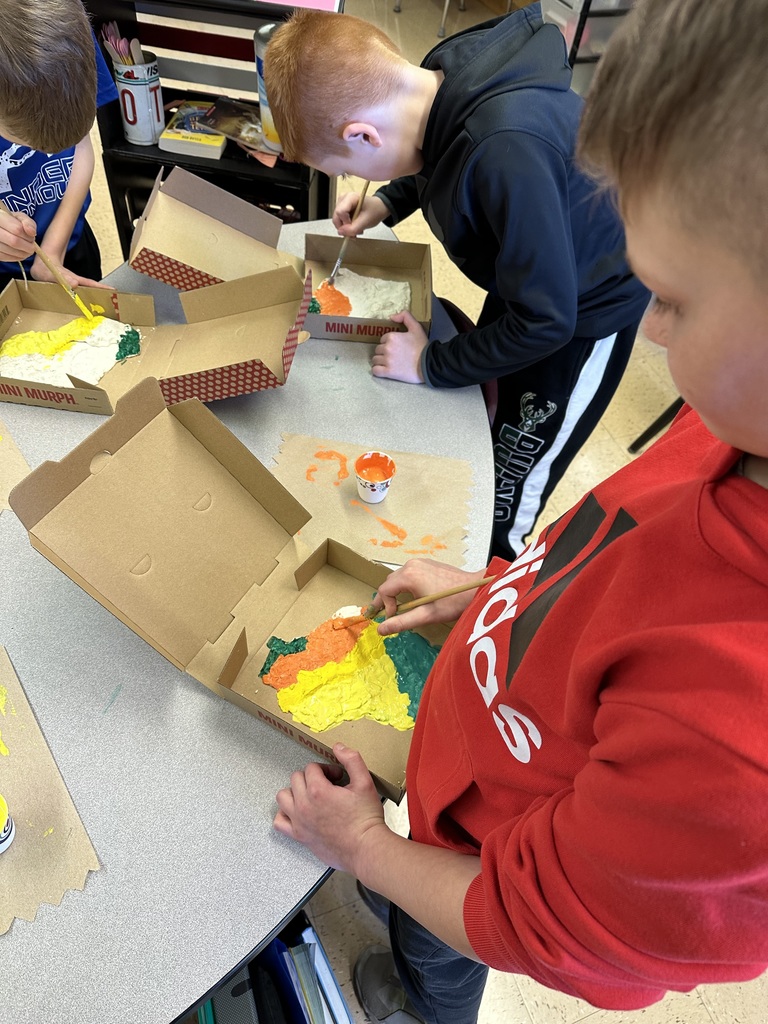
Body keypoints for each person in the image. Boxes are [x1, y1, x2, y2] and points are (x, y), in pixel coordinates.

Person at [272, 0, 768, 1019]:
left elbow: (526, 917)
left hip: (469, 859)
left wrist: (367, 847)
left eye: (668, 296)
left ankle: (424, 1004)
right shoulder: (730, 428)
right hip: (468, 744)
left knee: (434, 953)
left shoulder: (733, 736)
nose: (650, 324)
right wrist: (505, 590)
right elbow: (615, 570)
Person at [264, 5, 650, 561]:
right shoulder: (438, 84)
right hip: (535, 277)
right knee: (491, 410)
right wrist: (386, 200)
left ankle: (492, 577)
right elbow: (436, 156)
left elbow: (547, 322)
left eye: (349, 168)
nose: (355, 179)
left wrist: (430, 363)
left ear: (363, 134)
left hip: (584, 315)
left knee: (512, 480)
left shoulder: (503, 150)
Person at [0, 0, 118, 292]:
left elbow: (81, 143)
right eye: (26, 142)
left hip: (67, 240)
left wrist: (54, 249)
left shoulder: (65, 32)